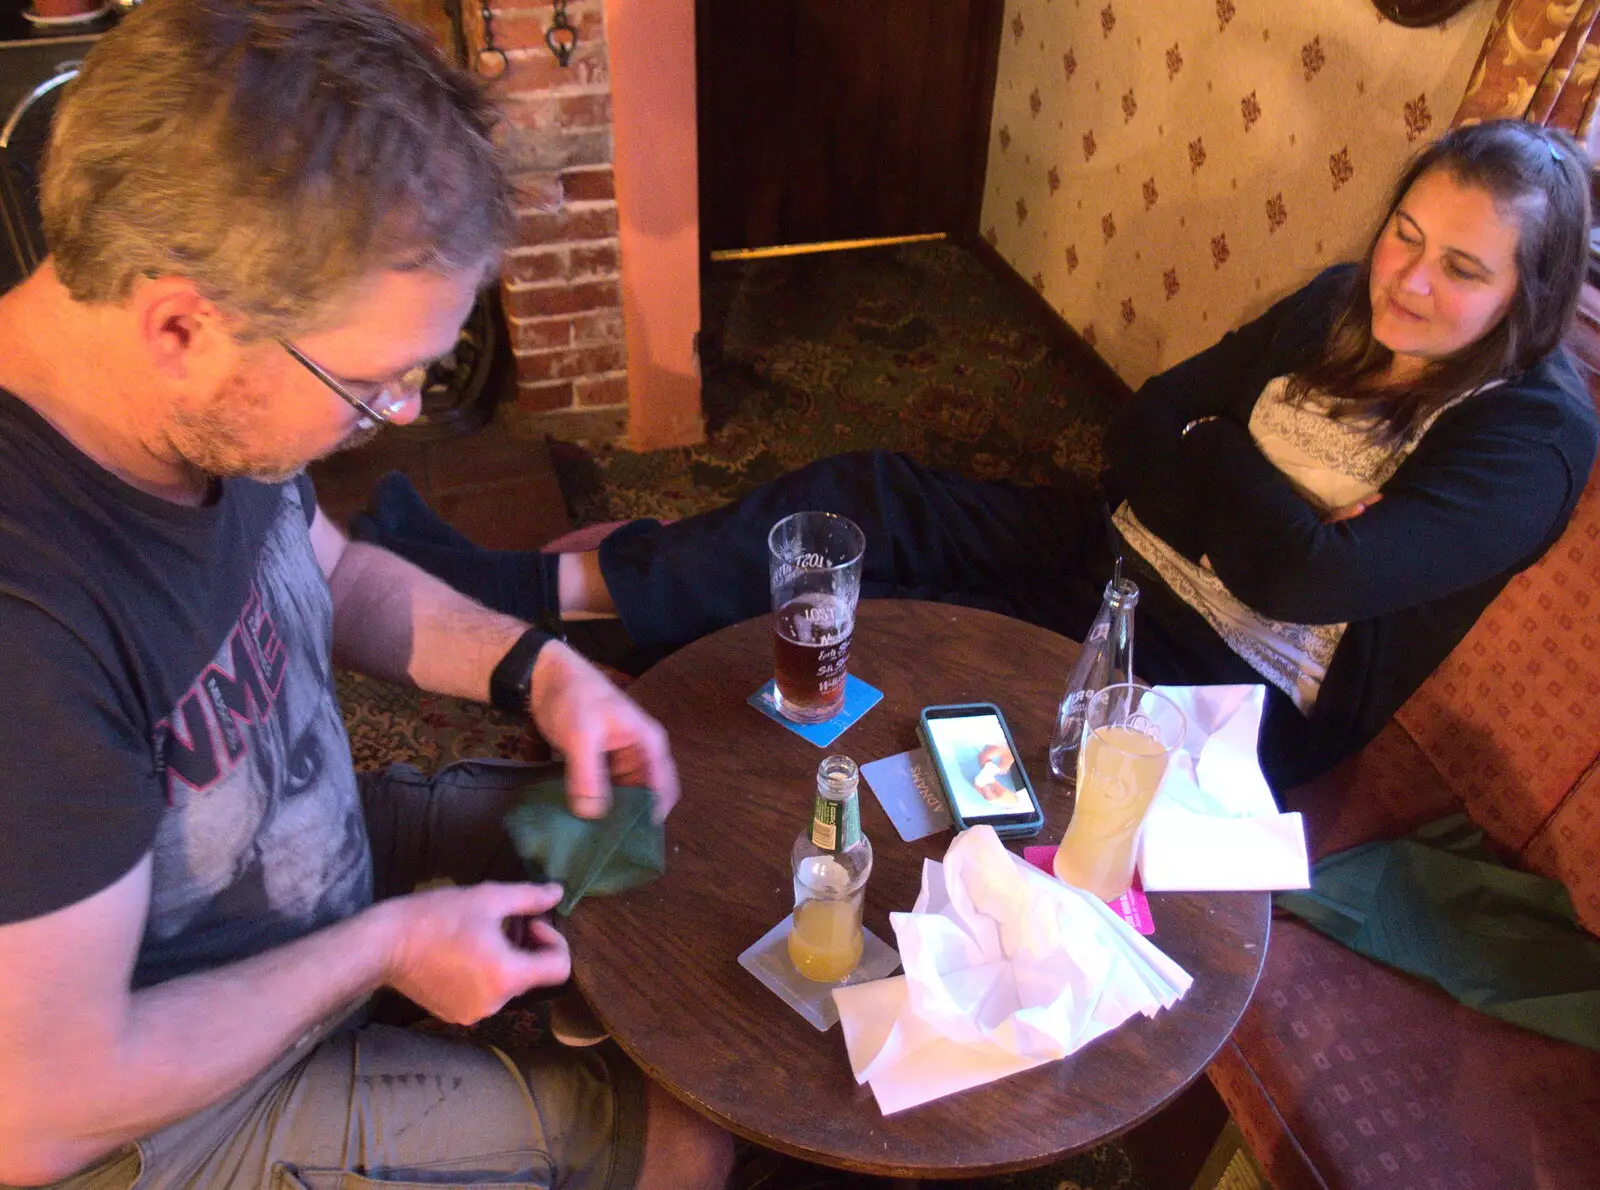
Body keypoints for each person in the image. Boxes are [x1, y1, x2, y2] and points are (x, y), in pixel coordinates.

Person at [0, 3, 732, 1188]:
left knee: (670, 841)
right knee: (689, 1122)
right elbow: (39, 1111)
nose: (391, 417)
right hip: (156, 1106)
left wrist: (542, 670)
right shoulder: (25, 626)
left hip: (302, 861)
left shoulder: (189, 403)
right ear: (182, 322)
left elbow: (330, 573)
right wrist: (382, 948)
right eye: (372, 381)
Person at [360, 119, 1599, 795]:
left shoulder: (1531, 438)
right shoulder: (1341, 298)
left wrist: (1216, 452)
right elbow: (1145, 423)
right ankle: (545, 598)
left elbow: (1295, 587)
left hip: (1224, 691)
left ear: (1526, 292)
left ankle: (616, 640)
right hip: (1122, 548)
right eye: (1405, 232)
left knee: (912, 663)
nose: (1409, 278)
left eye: (1462, 267)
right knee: (868, 500)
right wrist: (1253, 490)